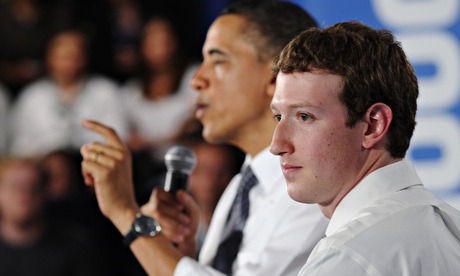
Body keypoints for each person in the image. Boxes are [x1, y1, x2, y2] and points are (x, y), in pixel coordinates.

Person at [80, 1, 328, 275]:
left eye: (218, 60)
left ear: (275, 77)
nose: (196, 79)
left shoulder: (315, 192)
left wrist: (124, 211)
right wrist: (178, 254)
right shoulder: (241, 187)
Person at [269, 21, 460, 275]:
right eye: (278, 117)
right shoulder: (451, 228)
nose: (277, 145)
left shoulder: (345, 258)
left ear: (373, 125)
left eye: (304, 117)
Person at [9, 29, 127, 157]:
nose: (69, 61)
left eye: (74, 54)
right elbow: (19, 144)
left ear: (85, 57)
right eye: (63, 55)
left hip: (93, 162)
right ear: (49, 57)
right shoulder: (32, 96)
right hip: (44, 167)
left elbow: (117, 138)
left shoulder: (105, 91)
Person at [0, 157, 104, 275]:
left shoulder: (76, 246)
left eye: (34, 187)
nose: (24, 195)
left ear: (45, 192)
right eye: (16, 187)